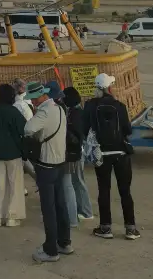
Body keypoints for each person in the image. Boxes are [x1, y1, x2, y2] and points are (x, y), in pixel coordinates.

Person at [83, 73, 139, 240]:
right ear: (109, 88)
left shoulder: (90, 106)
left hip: (102, 154)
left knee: (104, 191)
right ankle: (131, 229)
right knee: (125, 192)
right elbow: (128, 130)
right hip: (121, 154)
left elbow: (85, 128)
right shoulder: (119, 106)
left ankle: (105, 228)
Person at [24, 81, 71, 264]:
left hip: (47, 165)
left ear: (38, 97)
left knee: (48, 209)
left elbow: (28, 129)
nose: (32, 102)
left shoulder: (44, 111)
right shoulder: (59, 108)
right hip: (60, 163)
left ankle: (50, 250)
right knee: (61, 205)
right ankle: (64, 242)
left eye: (33, 99)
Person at [0, 83, 26, 227]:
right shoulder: (14, 112)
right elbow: (23, 131)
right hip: (13, 153)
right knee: (14, 186)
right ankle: (12, 216)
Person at [61, 87, 93, 224]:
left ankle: (86, 211)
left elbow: (78, 135)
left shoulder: (75, 114)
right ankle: (82, 210)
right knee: (76, 181)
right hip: (79, 151)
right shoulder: (78, 112)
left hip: (77, 153)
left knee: (78, 181)